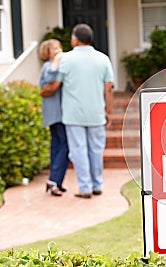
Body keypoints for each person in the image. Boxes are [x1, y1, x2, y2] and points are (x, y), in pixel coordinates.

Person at [41, 23, 114, 199]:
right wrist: (108, 111)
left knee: (78, 150)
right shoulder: (103, 58)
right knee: (96, 150)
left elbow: (55, 84)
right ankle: (97, 184)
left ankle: (85, 187)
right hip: (96, 113)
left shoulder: (66, 59)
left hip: (73, 115)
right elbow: (109, 88)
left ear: (75, 39)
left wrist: (43, 91)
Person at [38, 39, 69, 197]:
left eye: (59, 47)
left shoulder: (56, 66)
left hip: (58, 112)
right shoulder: (48, 66)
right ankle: (54, 180)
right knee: (64, 145)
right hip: (56, 114)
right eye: (53, 49)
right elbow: (49, 79)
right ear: (47, 52)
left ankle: (56, 181)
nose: (57, 51)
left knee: (57, 146)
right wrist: (56, 61)